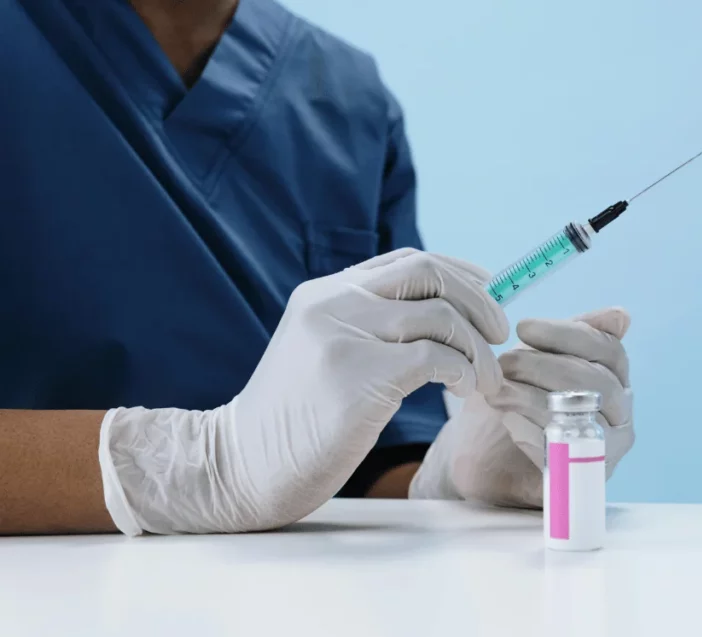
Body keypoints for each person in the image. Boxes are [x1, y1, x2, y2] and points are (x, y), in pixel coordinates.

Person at [0, 0, 635, 535]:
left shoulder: (346, 97)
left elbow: (365, 472)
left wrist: (453, 480)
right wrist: (197, 466)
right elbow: (249, 468)